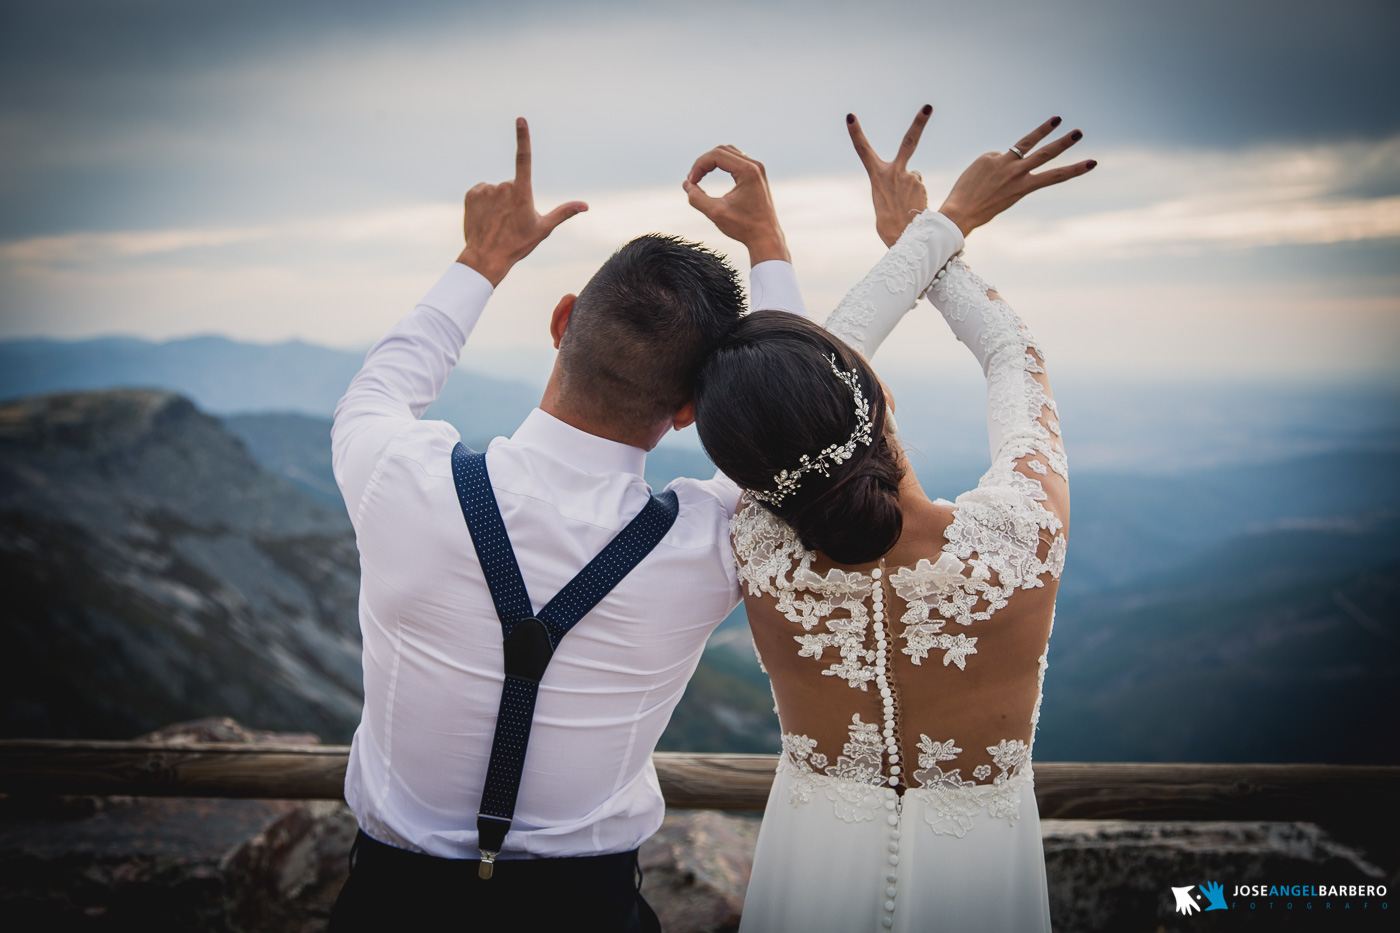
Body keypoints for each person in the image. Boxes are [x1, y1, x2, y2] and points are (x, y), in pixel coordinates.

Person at [326, 117, 814, 931]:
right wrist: (767, 242)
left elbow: (381, 387)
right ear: (693, 411)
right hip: (585, 911)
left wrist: (483, 259)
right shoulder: (712, 542)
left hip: (391, 903)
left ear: (561, 322)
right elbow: (795, 435)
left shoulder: (397, 476)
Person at [691, 110, 1093, 932]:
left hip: (810, 863)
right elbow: (1013, 354)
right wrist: (930, 234)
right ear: (883, 400)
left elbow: (793, 390)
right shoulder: (1021, 539)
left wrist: (938, 229)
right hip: (977, 876)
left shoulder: (756, 538)